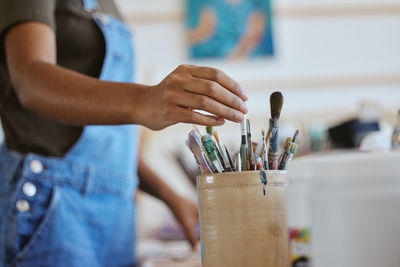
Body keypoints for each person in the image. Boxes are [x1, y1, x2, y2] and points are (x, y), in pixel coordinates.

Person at [0, 0, 248, 266]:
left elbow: (106, 141)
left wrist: (171, 197)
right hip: (52, 208)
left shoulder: (109, 6)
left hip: (116, 215)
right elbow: (30, 80)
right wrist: (144, 100)